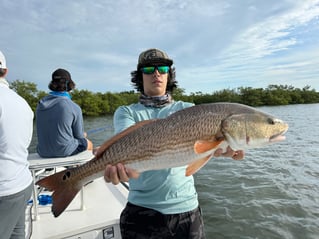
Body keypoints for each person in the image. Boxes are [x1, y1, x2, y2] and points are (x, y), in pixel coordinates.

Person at [103, 48, 245, 239]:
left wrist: (222, 149)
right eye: (148, 69)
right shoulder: (126, 112)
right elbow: (124, 144)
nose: (156, 73)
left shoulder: (188, 110)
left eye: (162, 68)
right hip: (141, 212)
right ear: (139, 75)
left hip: (187, 212)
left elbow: (205, 148)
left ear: (169, 74)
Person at [0, 50, 34, 239]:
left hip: (3, 192)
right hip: (23, 184)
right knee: (17, 234)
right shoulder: (22, 103)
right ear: (5, 71)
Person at [36, 68, 93, 158]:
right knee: (88, 143)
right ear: (70, 85)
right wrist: (83, 135)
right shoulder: (73, 107)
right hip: (63, 151)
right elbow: (79, 136)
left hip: (42, 152)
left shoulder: (40, 104)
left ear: (52, 84)